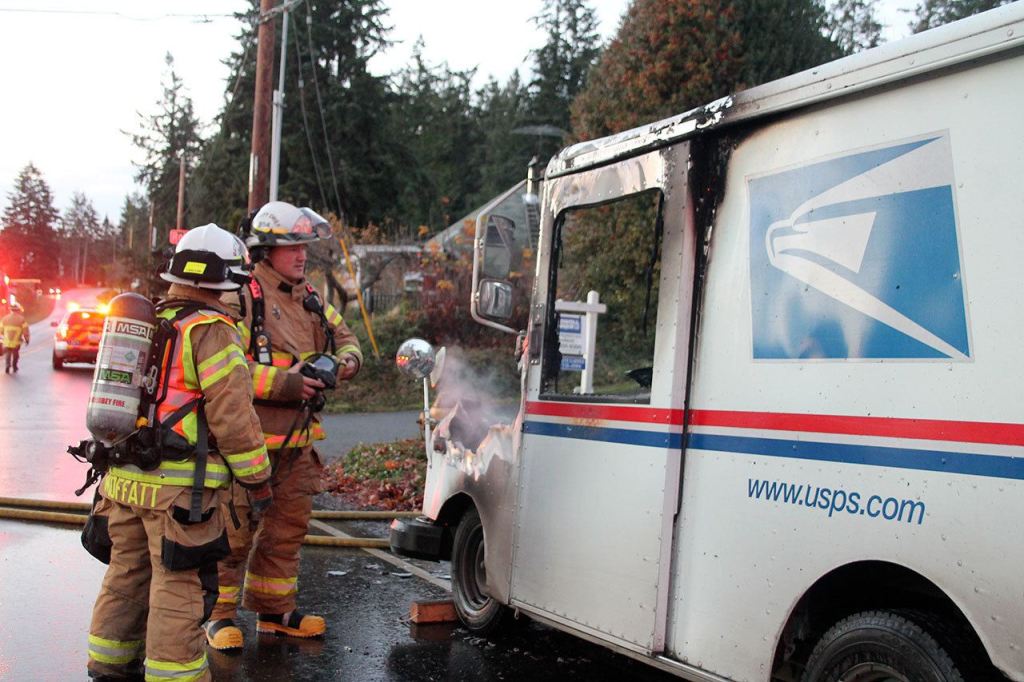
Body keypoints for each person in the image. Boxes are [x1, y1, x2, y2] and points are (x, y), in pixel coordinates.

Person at [85, 224, 273, 681]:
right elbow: (233, 419)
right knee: (179, 588)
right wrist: (259, 481)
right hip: (178, 494)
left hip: (122, 481)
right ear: (229, 281)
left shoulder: (147, 323)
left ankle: (108, 665)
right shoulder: (211, 332)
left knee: (125, 578)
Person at [205, 201, 361, 650]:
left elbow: (349, 341)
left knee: (286, 532)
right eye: (291, 247)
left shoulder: (311, 299)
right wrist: (290, 384)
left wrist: (341, 365)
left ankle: (275, 612)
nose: (301, 255)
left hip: (299, 444)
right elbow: (225, 366)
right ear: (265, 249)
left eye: (304, 246)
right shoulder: (242, 296)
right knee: (234, 532)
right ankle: (218, 616)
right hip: (247, 444)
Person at [1, 302, 29, 373]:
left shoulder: (4, 319)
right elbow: (25, 331)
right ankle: (14, 366)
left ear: (11, 310)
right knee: (15, 354)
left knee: (8, 353)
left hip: (7, 341)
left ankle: (7, 365)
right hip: (16, 342)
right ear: (18, 310)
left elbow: (1, 330)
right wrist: (27, 340)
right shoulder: (22, 319)